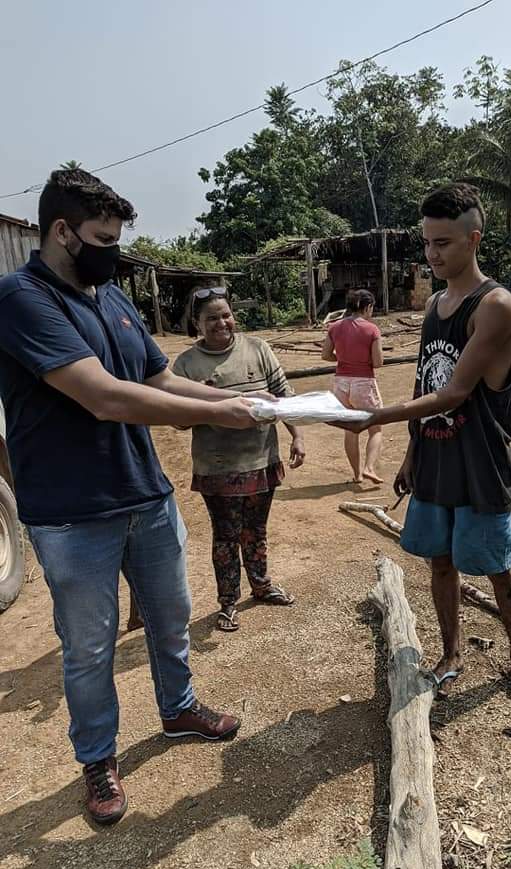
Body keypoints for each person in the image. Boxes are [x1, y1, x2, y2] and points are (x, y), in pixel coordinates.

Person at [0, 169, 258, 825]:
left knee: (170, 616)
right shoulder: (22, 299)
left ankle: (177, 708)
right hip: (71, 513)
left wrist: (245, 400)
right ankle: (98, 759)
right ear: (62, 232)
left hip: (144, 495)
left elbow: (158, 376)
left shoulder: (109, 294)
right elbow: (104, 396)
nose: (112, 252)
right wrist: (208, 415)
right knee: (89, 647)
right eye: (102, 238)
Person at [340, 183, 511, 709]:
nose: (432, 253)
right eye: (427, 242)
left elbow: (455, 391)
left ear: (474, 239)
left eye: (444, 243)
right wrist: (411, 451)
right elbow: (424, 384)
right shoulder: (435, 303)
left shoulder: (494, 306)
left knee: (497, 566)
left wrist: (376, 417)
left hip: (479, 463)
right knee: (439, 562)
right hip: (434, 453)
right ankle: (451, 653)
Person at [173, 290, 305, 631]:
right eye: (212, 318)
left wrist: (297, 435)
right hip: (218, 467)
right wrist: (198, 397)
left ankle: (261, 586)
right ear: (197, 324)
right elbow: (177, 420)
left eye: (226, 315)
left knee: (256, 531)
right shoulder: (186, 365)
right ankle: (228, 602)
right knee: (226, 536)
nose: (222, 323)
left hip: (261, 459)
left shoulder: (258, 349)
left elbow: (282, 394)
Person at [322, 289, 384, 484]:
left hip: (341, 382)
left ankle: (357, 474)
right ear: (367, 307)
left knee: (350, 430)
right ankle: (369, 467)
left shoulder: (334, 326)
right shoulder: (371, 329)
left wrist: (341, 359)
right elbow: (378, 362)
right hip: (363, 382)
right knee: (376, 429)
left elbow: (325, 355)